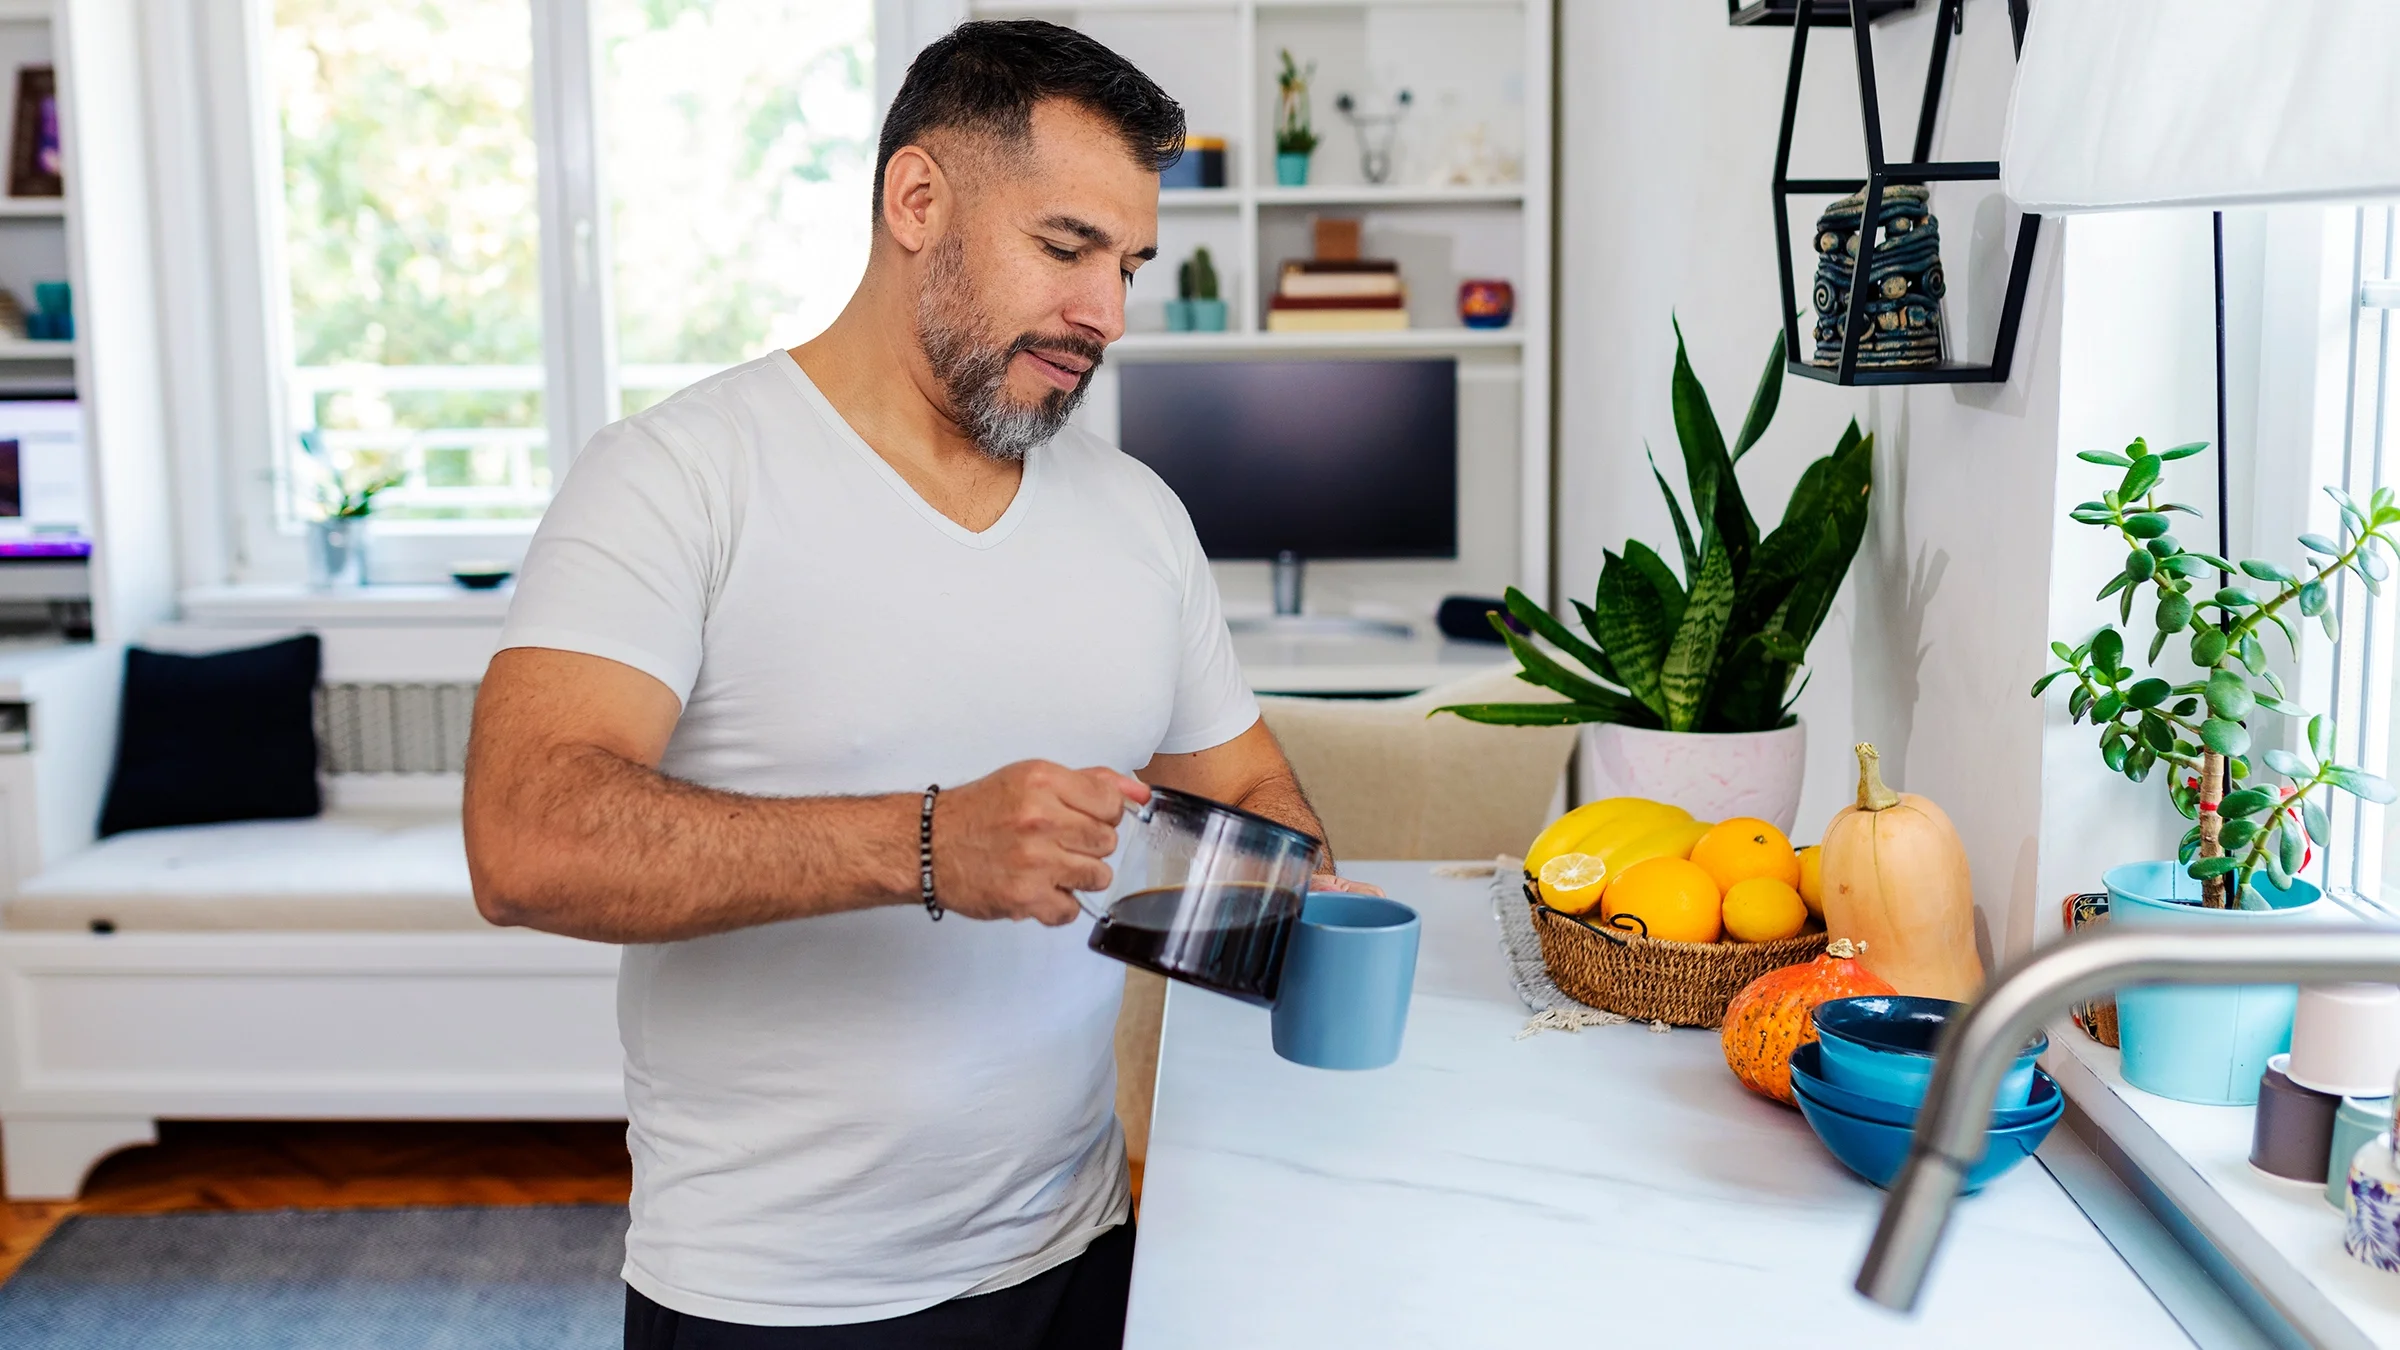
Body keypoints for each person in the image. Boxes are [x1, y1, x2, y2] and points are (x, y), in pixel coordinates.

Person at [463, 19, 1365, 1350]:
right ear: (917, 198)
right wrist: (932, 841)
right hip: (776, 1299)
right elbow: (525, 841)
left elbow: (1234, 782)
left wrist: (1304, 924)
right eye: (1066, 249)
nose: (1107, 315)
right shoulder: (676, 476)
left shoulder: (1136, 515)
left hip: (1083, 1250)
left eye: (1127, 266)